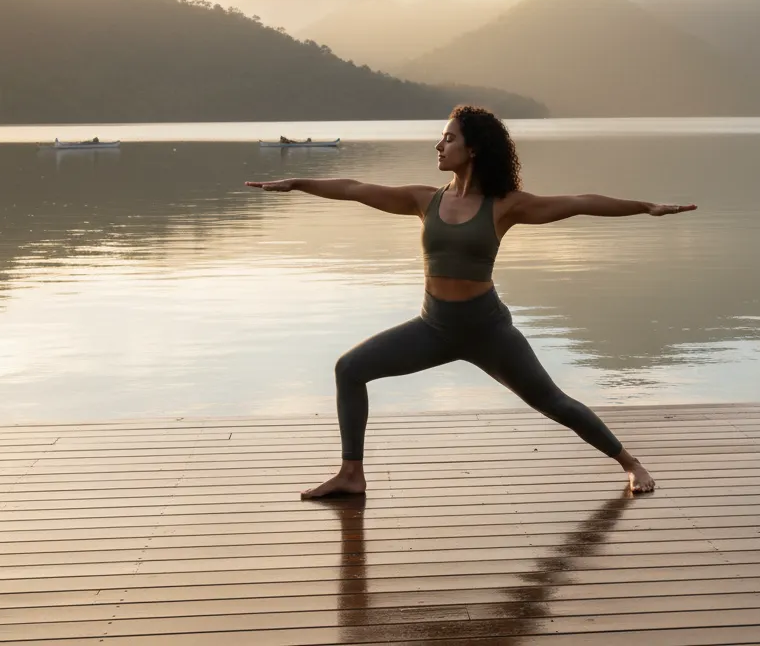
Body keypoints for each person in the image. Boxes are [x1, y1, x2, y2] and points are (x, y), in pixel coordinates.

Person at [245, 105, 696, 499]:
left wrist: (644, 207)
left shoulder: (505, 205)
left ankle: (631, 464)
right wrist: (298, 182)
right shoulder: (424, 199)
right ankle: (351, 475)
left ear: (473, 148)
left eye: (448, 137)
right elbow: (354, 188)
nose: (438, 145)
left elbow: (579, 202)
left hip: (488, 332)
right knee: (350, 369)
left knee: (554, 402)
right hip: (432, 328)